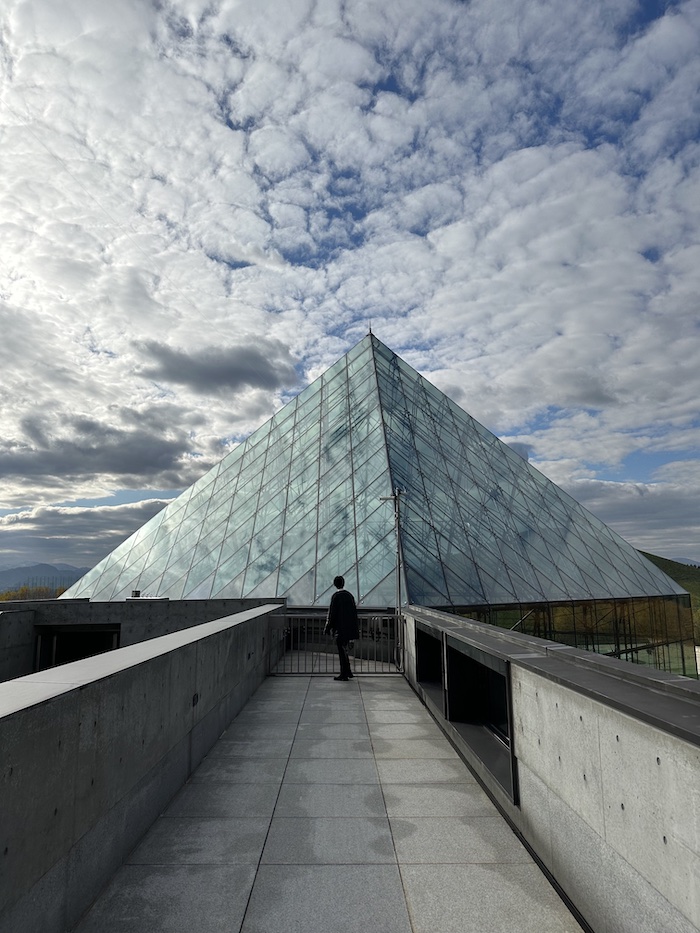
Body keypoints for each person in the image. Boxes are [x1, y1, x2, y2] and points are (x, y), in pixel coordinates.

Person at [323, 575, 359, 681]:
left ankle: (344, 674)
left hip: (340, 629)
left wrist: (328, 627)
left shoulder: (336, 597)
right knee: (345, 650)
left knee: (342, 651)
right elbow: (354, 613)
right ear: (343, 583)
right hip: (349, 628)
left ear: (335, 584)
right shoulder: (349, 596)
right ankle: (348, 672)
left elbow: (332, 614)